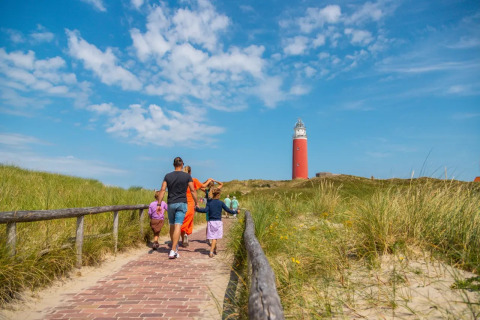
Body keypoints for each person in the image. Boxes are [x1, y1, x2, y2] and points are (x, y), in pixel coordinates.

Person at [156, 157, 198, 259]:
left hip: (171, 203)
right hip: (182, 203)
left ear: (173, 164)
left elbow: (162, 190)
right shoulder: (187, 176)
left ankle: (174, 247)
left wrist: (159, 204)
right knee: (178, 225)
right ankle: (173, 249)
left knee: (172, 225)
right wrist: (196, 202)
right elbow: (192, 190)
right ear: (182, 164)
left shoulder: (167, 176)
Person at [195, 187, 238, 258]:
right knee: (215, 238)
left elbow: (205, 210)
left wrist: (197, 209)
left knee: (213, 237)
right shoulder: (221, 203)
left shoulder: (209, 203)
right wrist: (236, 212)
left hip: (211, 222)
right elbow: (228, 210)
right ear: (218, 194)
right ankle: (211, 252)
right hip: (218, 222)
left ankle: (215, 248)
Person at [180, 166, 212, 247]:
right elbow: (203, 186)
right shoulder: (193, 180)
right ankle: (186, 234)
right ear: (190, 172)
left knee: (182, 220)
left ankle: (183, 238)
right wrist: (209, 180)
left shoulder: (180, 180)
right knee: (188, 220)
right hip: (190, 203)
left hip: (181, 201)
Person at [204, 179, 223, 244]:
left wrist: (206, 181)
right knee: (216, 223)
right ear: (213, 184)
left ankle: (207, 238)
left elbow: (200, 186)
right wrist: (215, 180)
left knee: (208, 224)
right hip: (215, 208)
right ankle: (214, 238)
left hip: (208, 207)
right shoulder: (215, 190)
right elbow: (221, 184)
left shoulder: (206, 191)